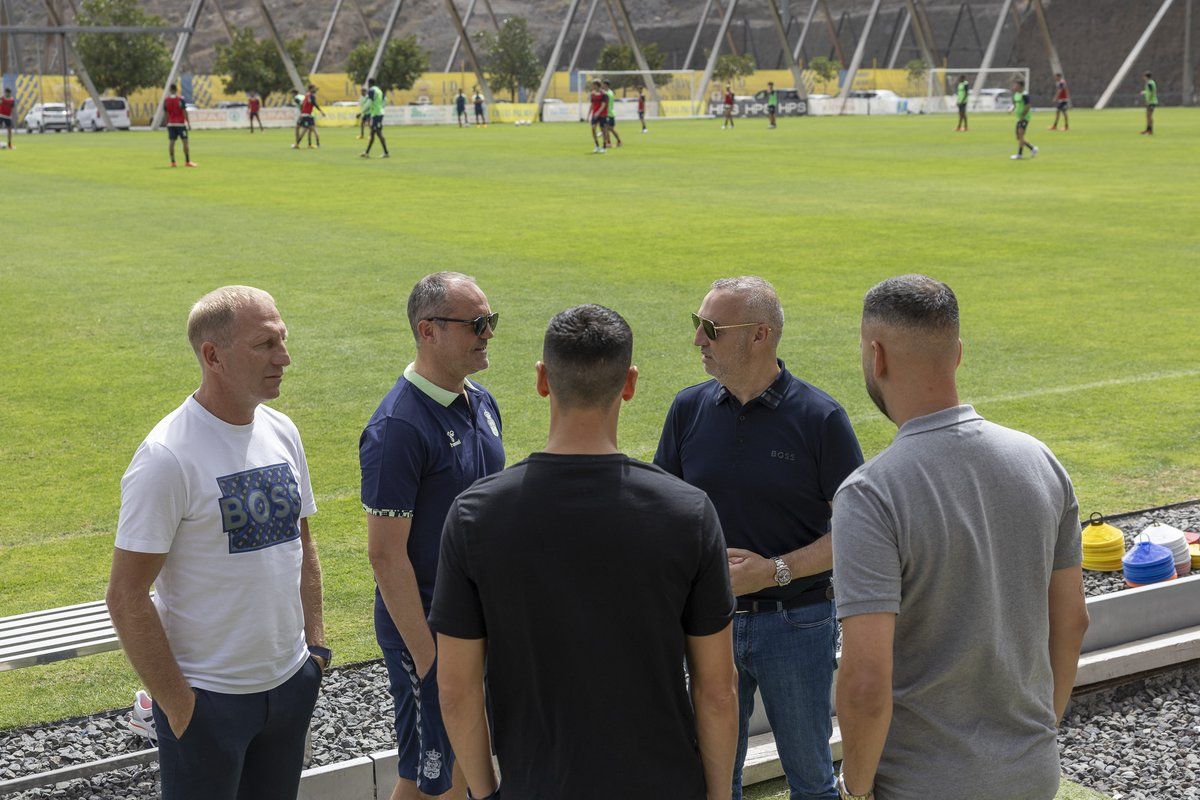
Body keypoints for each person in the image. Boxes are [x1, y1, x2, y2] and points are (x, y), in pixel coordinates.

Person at [432, 304, 739, 800]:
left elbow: (456, 689)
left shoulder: (475, 517)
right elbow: (717, 690)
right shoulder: (688, 513)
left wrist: (487, 794)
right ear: (630, 383)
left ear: (541, 380)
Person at [831, 274, 1089, 800]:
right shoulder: (1040, 461)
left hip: (922, 785)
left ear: (875, 356)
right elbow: (1073, 620)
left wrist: (855, 790)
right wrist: (1041, 733)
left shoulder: (870, 494)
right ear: (958, 355)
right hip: (1032, 774)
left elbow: (864, 683)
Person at [107, 285, 328, 800]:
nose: (285, 358)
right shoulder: (167, 457)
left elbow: (302, 543)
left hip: (289, 686)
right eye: (265, 345)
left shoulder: (283, 432)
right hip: (209, 703)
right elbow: (125, 595)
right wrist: (181, 707)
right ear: (213, 356)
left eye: (283, 339)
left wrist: (314, 653)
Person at [655, 277, 864, 800]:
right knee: (712, 782)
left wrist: (774, 570)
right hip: (709, 628)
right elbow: (663, 512)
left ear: (759, 335)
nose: (698, 340)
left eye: (710, 329)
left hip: (797, 626)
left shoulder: (821, 419)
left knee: (811, 782)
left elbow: (858, 531)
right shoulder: (687, 409)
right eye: (696, 325)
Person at [359, 272, 504, 800]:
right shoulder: (397, 428)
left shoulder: (481, 402)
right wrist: (428, 659)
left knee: (466, 757)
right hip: (429, 631)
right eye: (476, 324)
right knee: (427, 777)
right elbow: (384, 555)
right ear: (429, 330)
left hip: (475, 624)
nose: (488, 333)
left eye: (491, 321)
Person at [163, 83, 195, 168]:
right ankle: (187, 161)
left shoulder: (166, 100)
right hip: (180, 124)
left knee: (171, 142)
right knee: (185, 142)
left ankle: (173, 162)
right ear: (176, 90)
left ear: (170, 90)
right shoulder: (180, 99)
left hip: (171, 124)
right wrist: (188, 123)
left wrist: (167, 123)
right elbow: (184, 112)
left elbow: (166, 113)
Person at [361, 78, 390, 159]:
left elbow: (369, 103)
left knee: (378, 133)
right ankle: (366, 152)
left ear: (369, 84)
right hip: (378, 114)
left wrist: (361, 112)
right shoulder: (379, 90)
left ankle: (386, 152)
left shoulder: (371, 90)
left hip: (377, 114)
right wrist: (381, 107)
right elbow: (386, 100)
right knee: (373, 133)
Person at [1011, 78, 1037, 160]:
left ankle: (1020, 154)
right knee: (1018, 137)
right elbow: (1015, 104)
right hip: (1019, 118)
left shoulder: (1025, 95)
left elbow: (1028, 106)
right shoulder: (1016, 94)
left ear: (1020, 86)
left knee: (1021, 135)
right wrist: (1012, 109)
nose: (1014, 86)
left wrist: (1023, 115)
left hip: (1024, 118)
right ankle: (1032, 148)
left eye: (1016, 85)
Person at [292, 85, 325, 149]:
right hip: (307, 115)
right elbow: (313, 104)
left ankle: (301, 144)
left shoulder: (307, 95)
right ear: (311, 89)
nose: (315, 90)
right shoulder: (309, 96)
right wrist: (321, 111)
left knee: (307, 129)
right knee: (309, 129)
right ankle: (312, 144)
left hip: (306, 115)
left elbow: (307, 104)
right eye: (314, 89)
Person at [588, 79, 608, 154]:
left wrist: (598, 112)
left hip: (602, 114)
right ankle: (597, 146)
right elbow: (592, 105)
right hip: (594, 114)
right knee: (593, 129)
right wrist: (588, 114)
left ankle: (604, 146)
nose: (593, 86)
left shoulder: (604, 94)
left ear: (597, 85)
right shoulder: (592, 94)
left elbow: (603, 105)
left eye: (594, 84)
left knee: (603, 130)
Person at [603, 80, 622, 148]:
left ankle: (609, 143)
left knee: (607, 128)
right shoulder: (610, 92)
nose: (603, 86)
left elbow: (606, 103)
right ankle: (618, 141)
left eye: (604, 85)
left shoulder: (607, 93)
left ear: (607, 85)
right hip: (611, 113)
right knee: (609, 129)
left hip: (608, 113)